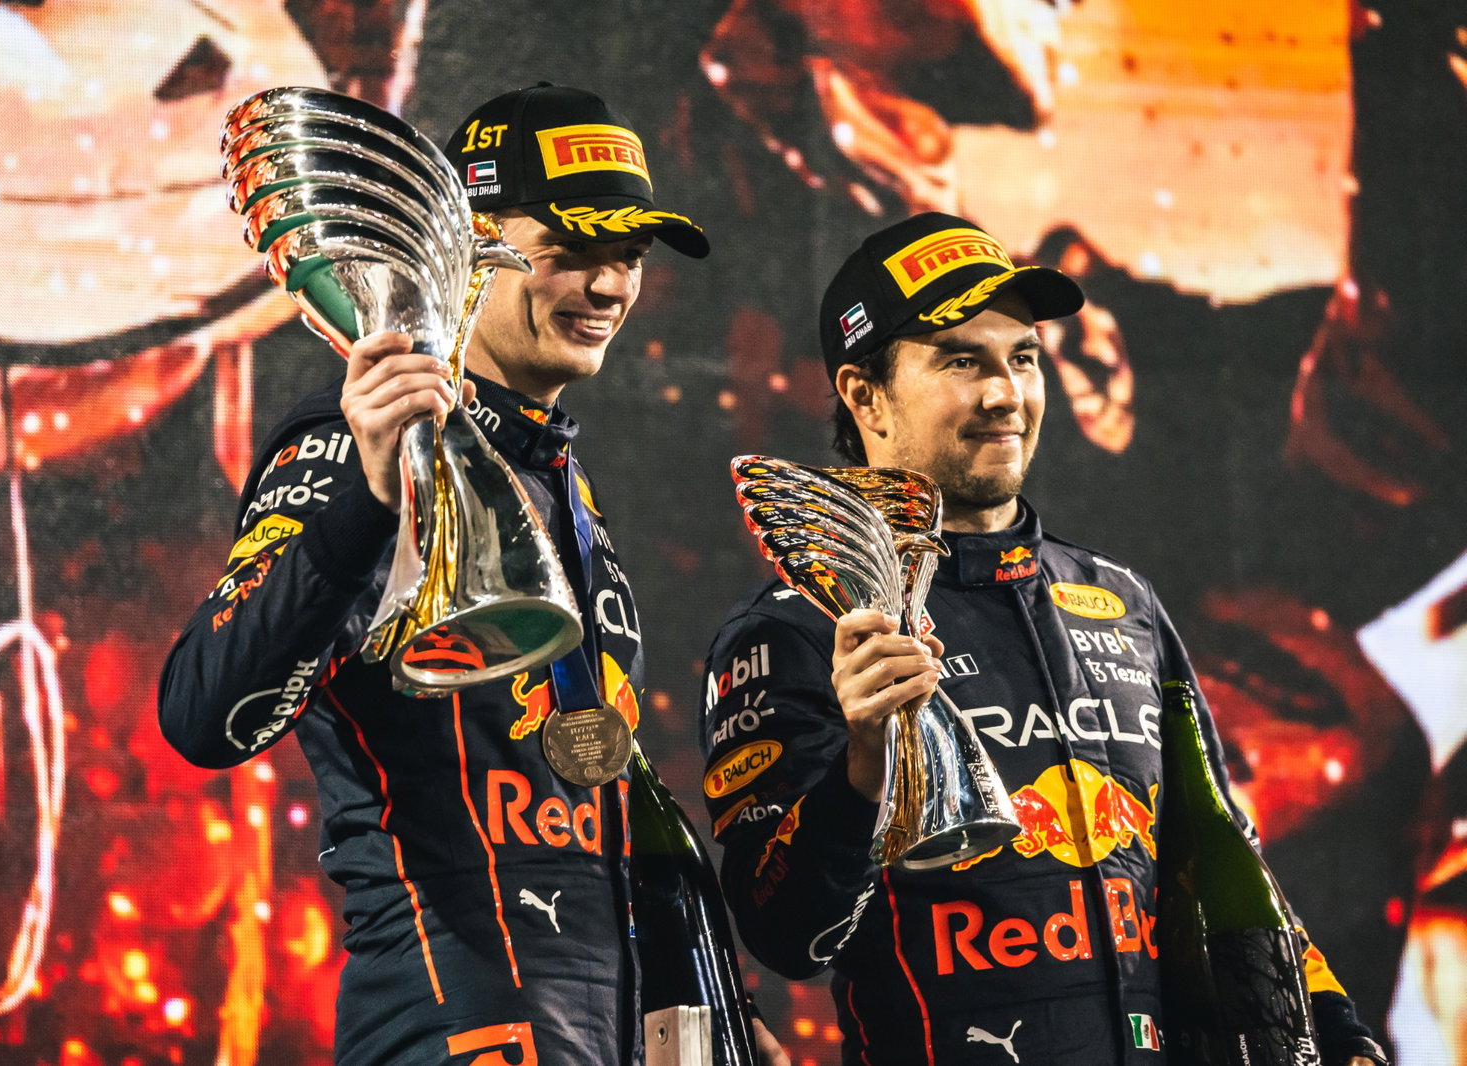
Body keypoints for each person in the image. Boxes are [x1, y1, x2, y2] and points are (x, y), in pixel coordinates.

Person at [699, 211, 1391, 1064]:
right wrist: (864, 769)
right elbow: (783, 935)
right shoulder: (794, 625)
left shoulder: (1121, 599)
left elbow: (1216, 857)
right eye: (961, 361)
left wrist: (1339, 1031)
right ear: (863, 394)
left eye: (1022, 359)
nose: (1006, 394)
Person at [159, 83, 749, 1066]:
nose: (608, 286)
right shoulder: (361, 443)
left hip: (602, 1027)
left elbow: (592, 787)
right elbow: (201, 710)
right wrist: (370, 499)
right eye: (570, 249)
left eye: (628, 256)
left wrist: (716, 1003)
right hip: (450, 1020)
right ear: (466, 241)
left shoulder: (554, 474)